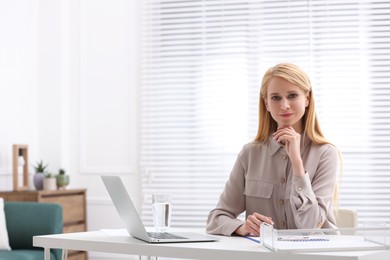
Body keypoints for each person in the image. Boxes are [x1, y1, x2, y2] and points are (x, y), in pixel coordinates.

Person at [206, 63, 339, 237]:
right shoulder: (249, 154)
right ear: (266, 103)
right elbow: (216, 218)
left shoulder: (326, 153)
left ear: (307, 98)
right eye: (276, 98)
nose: (284, 105)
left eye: (292, 95)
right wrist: (243, 227)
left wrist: (297, 164)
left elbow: (311, 225)